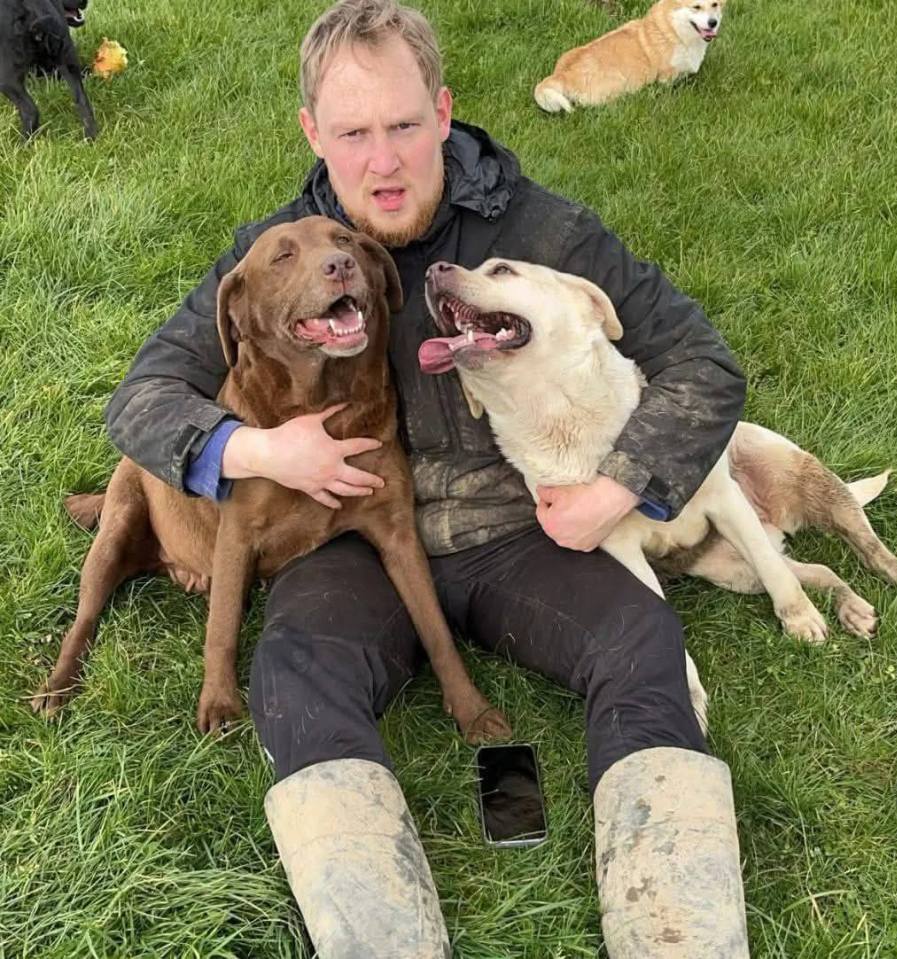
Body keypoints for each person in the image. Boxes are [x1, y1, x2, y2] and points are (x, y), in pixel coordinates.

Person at [105, 1, 750, 955]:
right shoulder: (277, 253)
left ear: (444, 113)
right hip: (343, 538)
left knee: (643, 643)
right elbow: (143, 396)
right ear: (312, 136)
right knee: (294, 674)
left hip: (518, 531)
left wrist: (619, 484)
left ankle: (678, 938)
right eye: (354, 133)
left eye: (404, 125)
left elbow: (703, 363)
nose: (384, 159)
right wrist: (257, 451)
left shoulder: (541, 230)